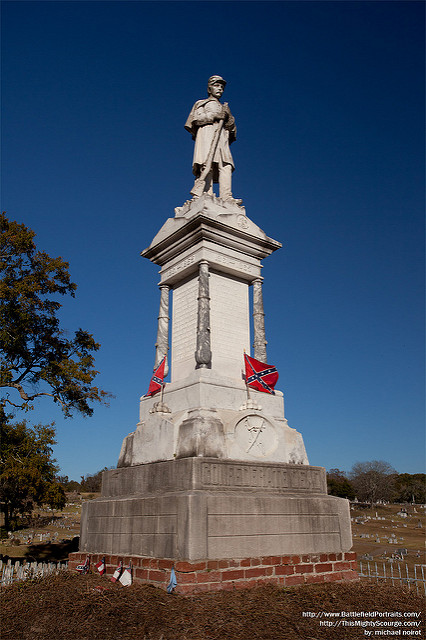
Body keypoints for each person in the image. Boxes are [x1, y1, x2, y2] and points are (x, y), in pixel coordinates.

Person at [185, 75, 237, 202]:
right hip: (207, 134)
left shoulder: (225, 108)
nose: (220, 89)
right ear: (209, 88)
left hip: (221, 137)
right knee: (206, 164)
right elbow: (195, 120)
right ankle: (206, 193)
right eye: (216, 86)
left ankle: (227, 197)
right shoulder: (201, 103)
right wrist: (213, 116)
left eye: (221, 87)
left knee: (226, 165)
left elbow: (233, 129)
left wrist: (229, 118)